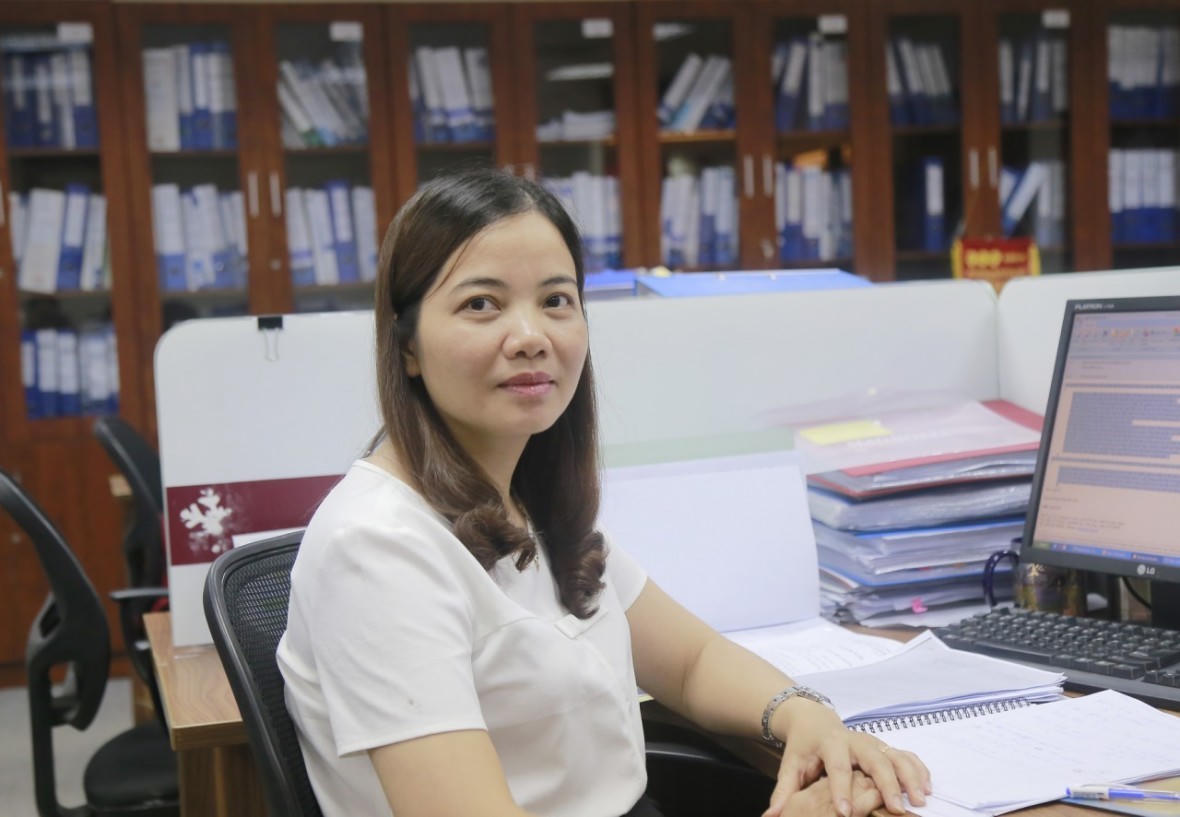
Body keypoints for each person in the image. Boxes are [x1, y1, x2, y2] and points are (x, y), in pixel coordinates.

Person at [276, 169, 931, 817]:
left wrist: (804, 714)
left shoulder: (524, 506)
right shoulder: (377, 547)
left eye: (556, 300)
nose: (531, 336)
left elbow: (693, 662)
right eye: (482, 304)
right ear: (406, 345)